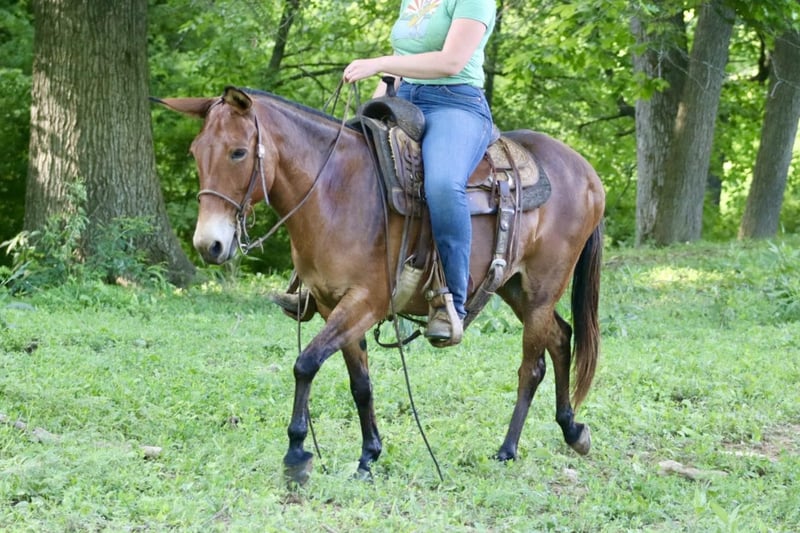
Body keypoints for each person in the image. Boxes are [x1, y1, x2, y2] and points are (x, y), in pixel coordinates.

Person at [343, 0, 497, 345]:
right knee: (346, 161)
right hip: (403, 98)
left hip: (455, 102)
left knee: (442, 185)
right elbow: (402, 62)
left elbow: (451, 61)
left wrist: (379, 62)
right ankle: (320, 278)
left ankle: (451, 301)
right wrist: (367, 112)